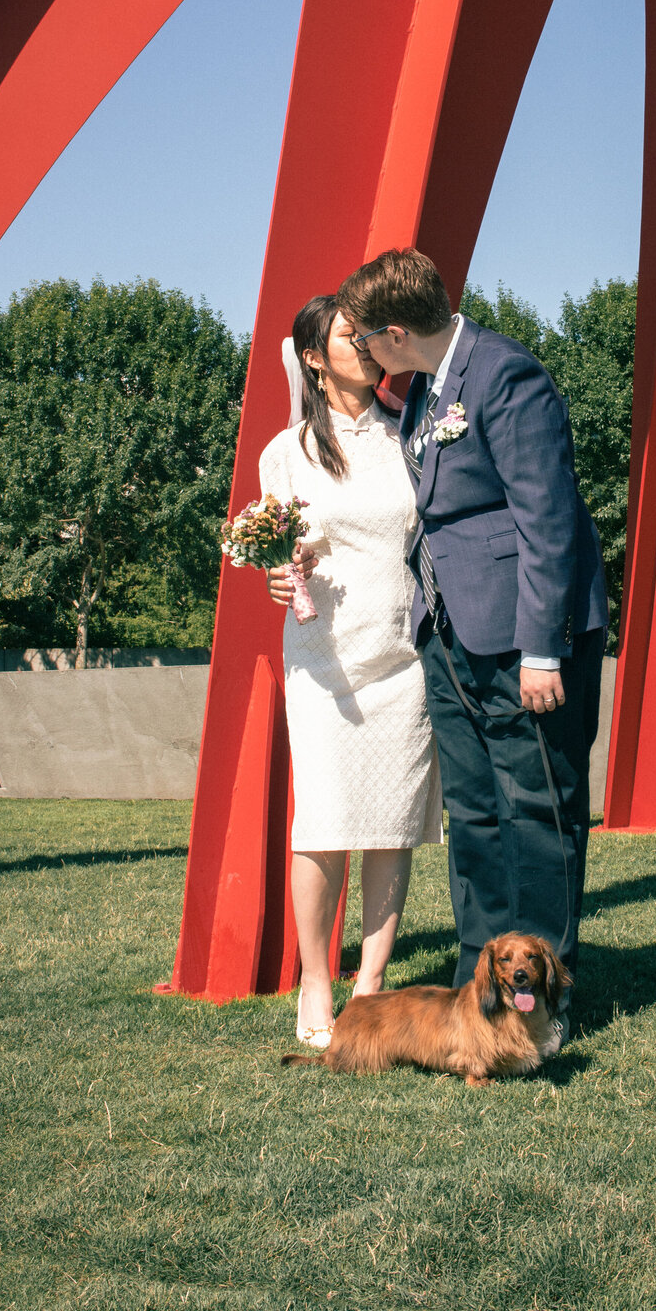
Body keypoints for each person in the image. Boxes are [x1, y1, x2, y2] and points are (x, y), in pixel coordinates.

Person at [336, 248, 607, 1032]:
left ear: (393, 332)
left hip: (522, 636)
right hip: (449, 632)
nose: (360, 350)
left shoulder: (507, 375)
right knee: (477, 813)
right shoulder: (422, 389)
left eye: (362, 336)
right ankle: (480, 989)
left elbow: (546, 518)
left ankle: (548, 996)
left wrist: (543, 650)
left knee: (538, 809)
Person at [260, 297, 442, 1050]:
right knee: (324, 819)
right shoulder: (289, 448)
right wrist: (276, 569)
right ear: (312, 357)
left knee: (392, 820)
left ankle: (370, 985)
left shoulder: (413, 437)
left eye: (368, 335)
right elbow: (275, 539)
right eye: (346, 336)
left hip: (402, 654)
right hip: (325, 659)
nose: (364, 347)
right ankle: (315, 976)